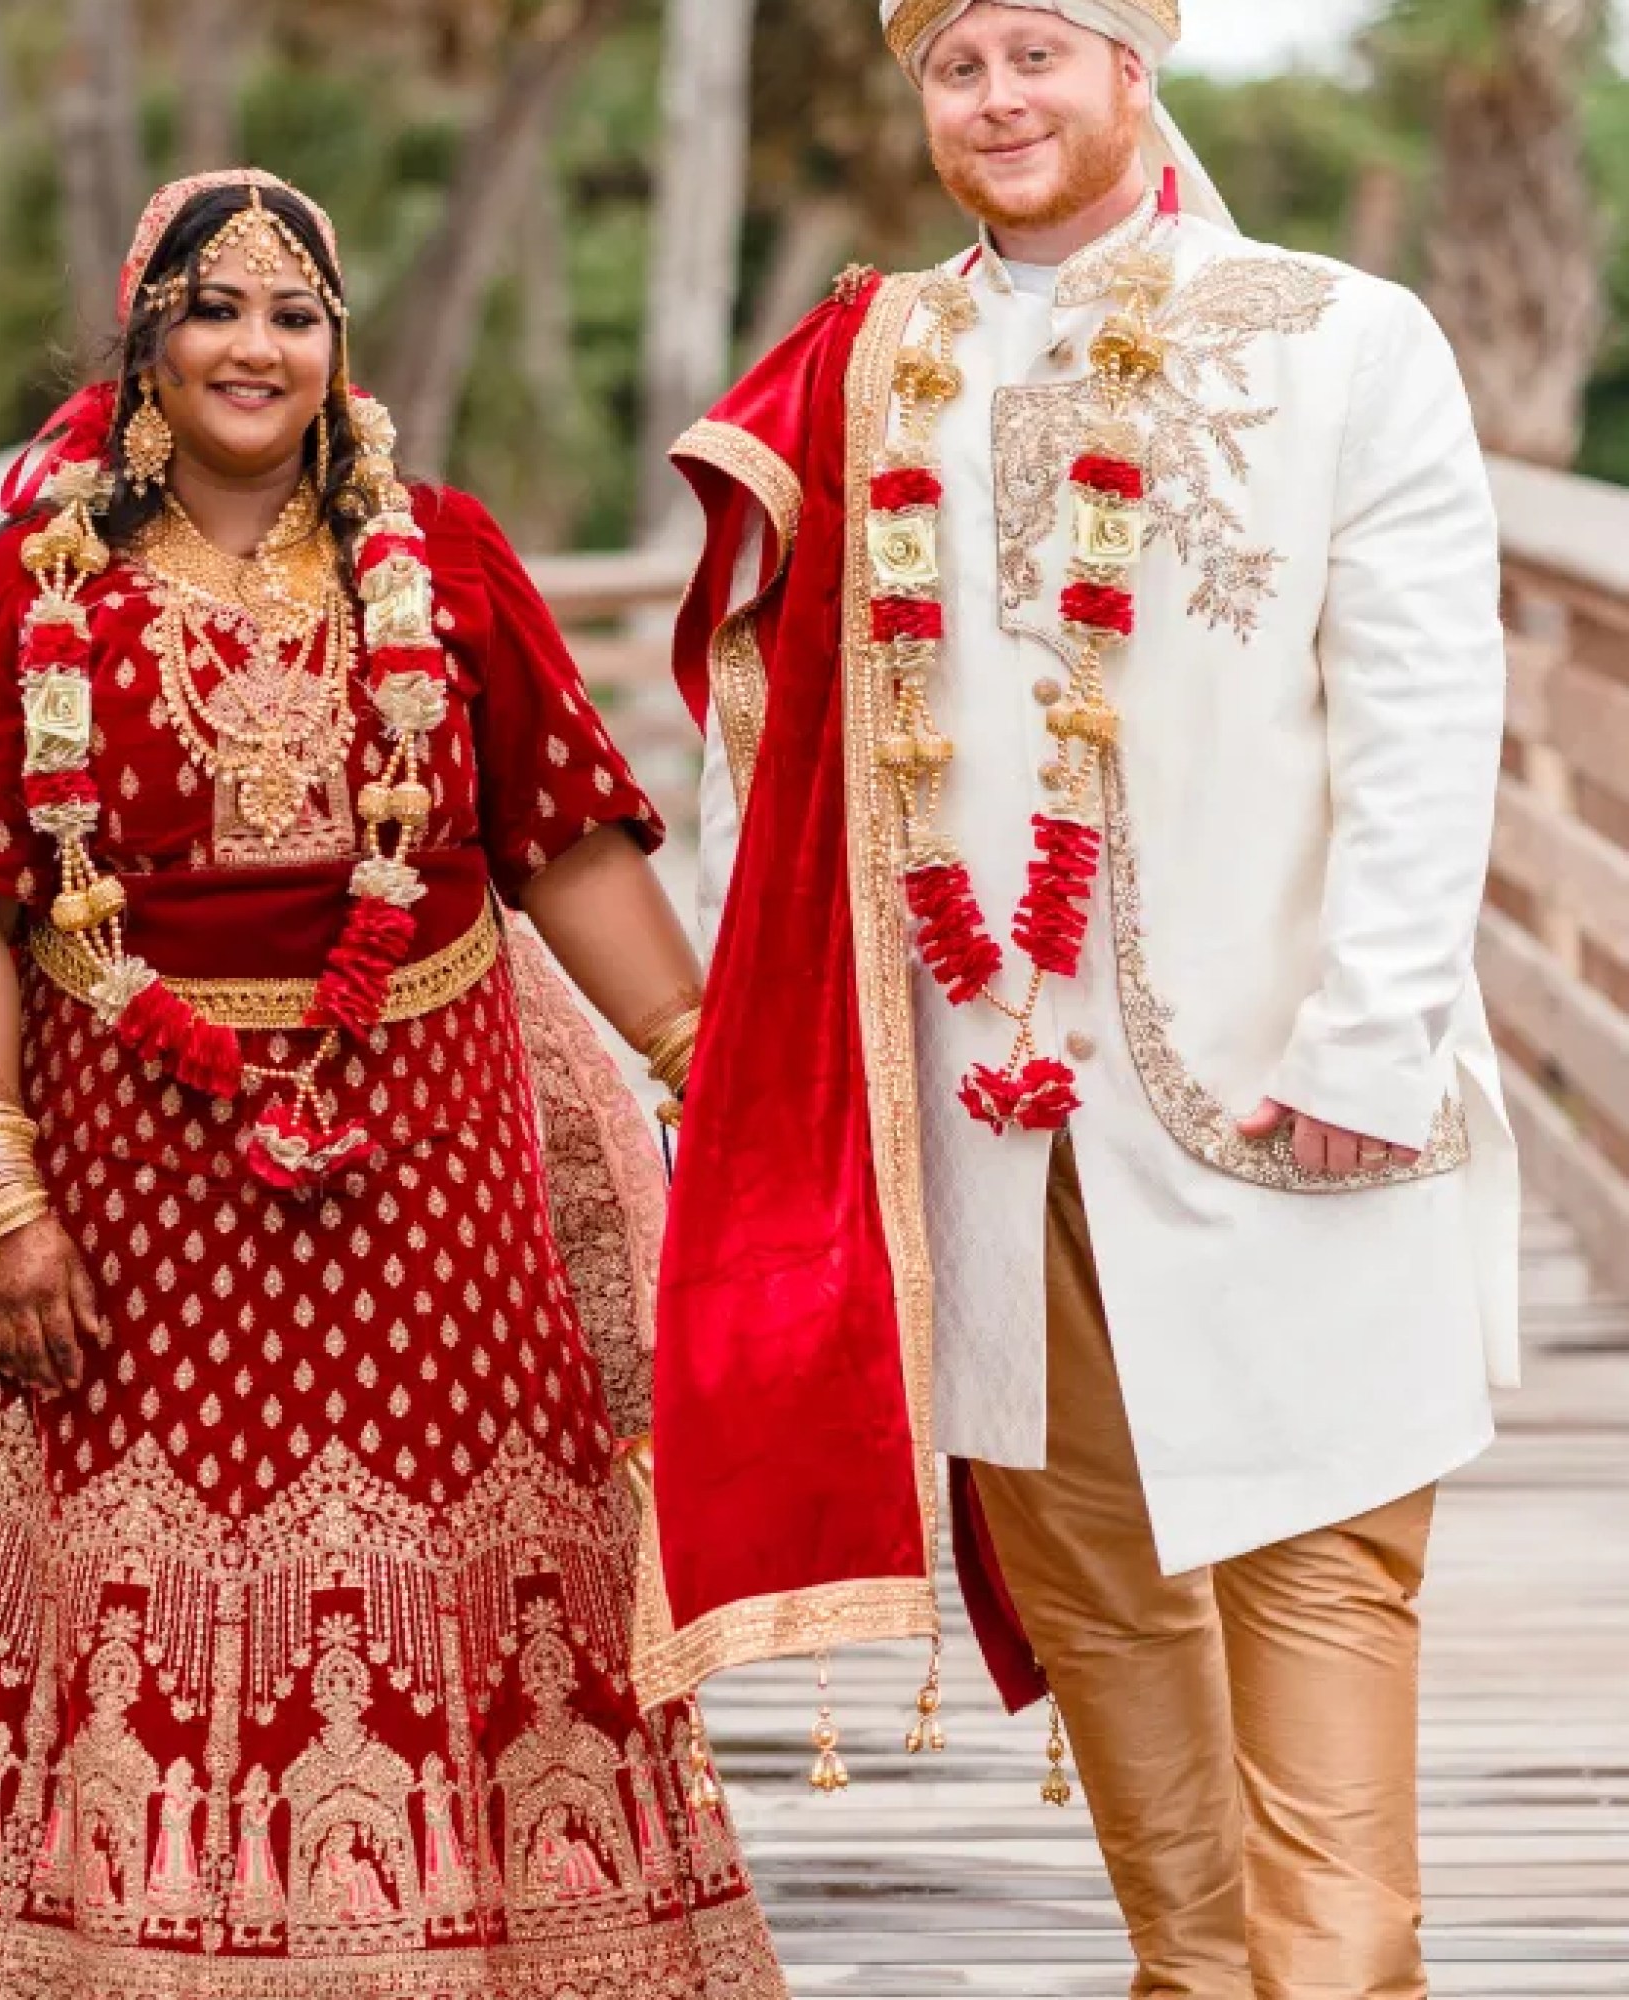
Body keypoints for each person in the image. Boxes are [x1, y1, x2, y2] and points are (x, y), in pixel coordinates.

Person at [0, 166, 785, 1999]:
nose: (254, 346)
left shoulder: (449, 563)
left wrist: (715, 1082)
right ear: (142, 337)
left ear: (340, 349)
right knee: (113, 1588)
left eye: (294, 315)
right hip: (130, 1179)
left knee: (471, 1576)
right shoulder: (34, 585)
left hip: (433, 1167)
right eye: (214, 308)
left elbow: (565, 846)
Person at [645, 6, 1519, 1996]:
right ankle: (1185, 1975)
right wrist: (783, 1070)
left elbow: (1422, 706)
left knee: (1321, 1567)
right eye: (957, 67)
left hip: (1285, 1084)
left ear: (1138, 68)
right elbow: (766, 747)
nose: (998, 100)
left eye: (1038, 51)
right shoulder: (870, 372)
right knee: (1096, 1586)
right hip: (973, 1107)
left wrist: (1371, 1036)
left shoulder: (1337, 335)